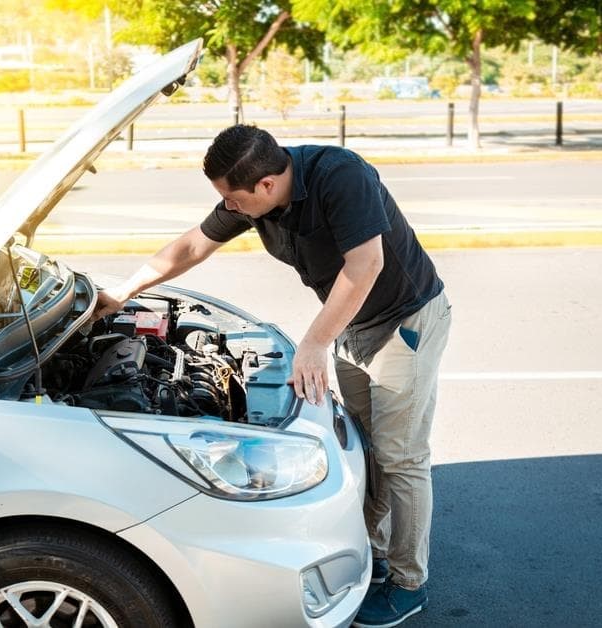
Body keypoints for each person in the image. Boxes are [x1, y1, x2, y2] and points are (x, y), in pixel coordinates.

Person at [94, 125, 451, 628]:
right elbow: (194, 245)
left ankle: (409, 583)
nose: (230, 209)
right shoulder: (253, 193)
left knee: (401, 456)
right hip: (350, 323)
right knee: (369, 448)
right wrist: (125, 290)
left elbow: (367, 263)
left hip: (403, 324)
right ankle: (373, 553)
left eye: (234, 199)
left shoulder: (338, 176)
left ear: (266, 185)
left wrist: (314, 344)